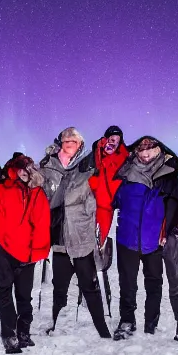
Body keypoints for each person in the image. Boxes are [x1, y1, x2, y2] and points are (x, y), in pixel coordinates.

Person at [111, 136, 178, 340]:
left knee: (154, 283)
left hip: (154, 240)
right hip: (127, 238)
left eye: (150, 150)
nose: (145, 154)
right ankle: (127, 320)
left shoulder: (168, 177)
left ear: (159, 151)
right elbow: (109, 199)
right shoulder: (125, 175)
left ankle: (151, 322)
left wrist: (172, 232)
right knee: (127, 283)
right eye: (141, 151)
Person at [39, 127, 112, 337]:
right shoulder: (48, 166)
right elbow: (40, 195)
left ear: (81, 144)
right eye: (65, 139)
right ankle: (54, 323)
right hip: (59, 239)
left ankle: (102, 329)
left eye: (74, 139)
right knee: (59, 287)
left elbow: (97, 200)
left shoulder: (89, 168)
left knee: (89, 286)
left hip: (81, 238)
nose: (69, 142)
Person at [0, 154, 51, 354]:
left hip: (27, 253)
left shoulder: (37, 192)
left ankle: (24, 331)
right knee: (4, 292)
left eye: (28, 169)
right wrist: (7, 246)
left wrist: (36, 250)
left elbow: (42, 223)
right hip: (3, 250)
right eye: (20, 169)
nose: (24, 172)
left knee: (24, 295)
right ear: (13, 170)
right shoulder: (2, 189)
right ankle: (9, 333)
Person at [88, 125, 129, 314]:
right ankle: (91, 271)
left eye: (117, 138)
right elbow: (91, 169)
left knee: (105, 238)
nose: (113, 140)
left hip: (114, 203)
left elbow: (122, 170)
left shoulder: (124, 155)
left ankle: (101, 268)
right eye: (111, 137)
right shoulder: (99, 151)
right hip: (97, 202)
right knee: (95, 238)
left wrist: (110, 154)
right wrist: (99, 149)